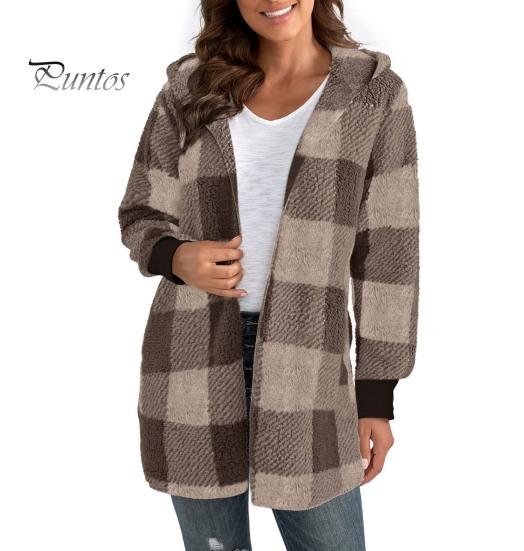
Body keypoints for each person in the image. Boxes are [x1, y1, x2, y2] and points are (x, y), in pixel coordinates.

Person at [118, 1, 420, 549]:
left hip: (310, 363)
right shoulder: (190, 89)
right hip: (191, 358)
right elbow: (141, 210)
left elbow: (388, 252)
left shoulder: (371, 93)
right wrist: (174, 257)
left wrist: (376, 395)